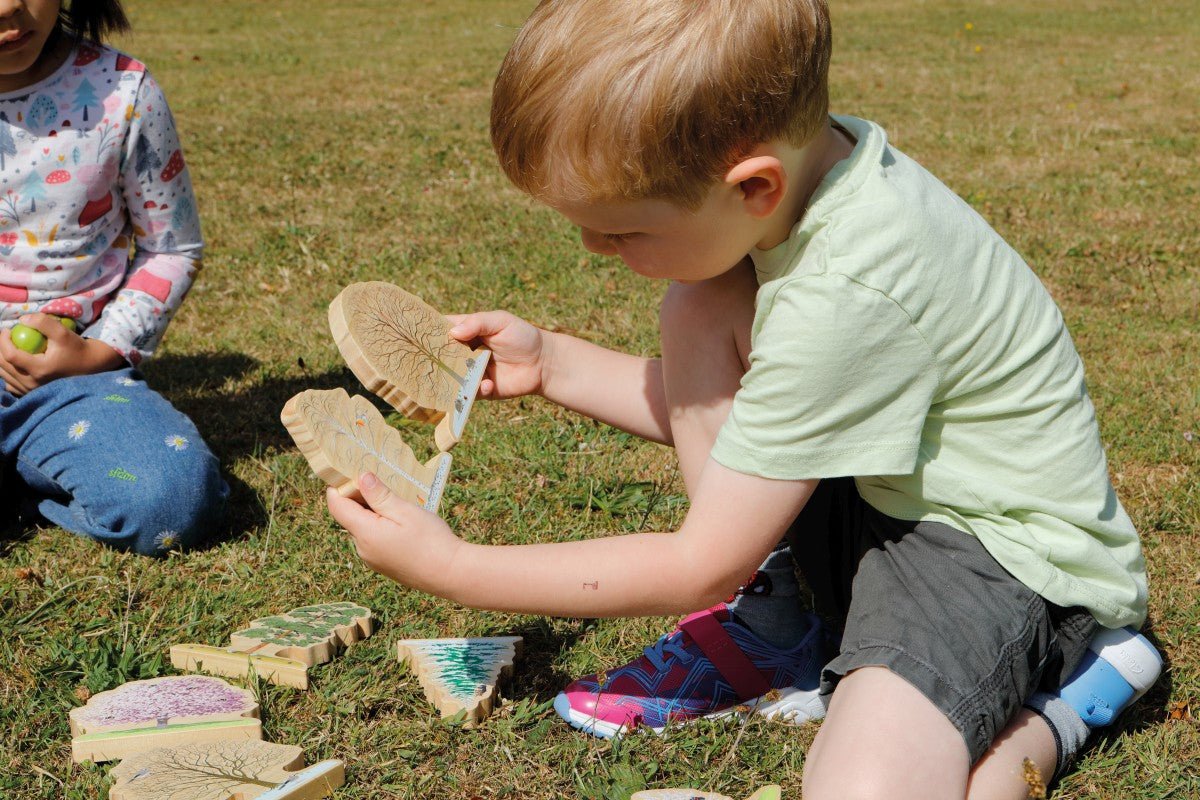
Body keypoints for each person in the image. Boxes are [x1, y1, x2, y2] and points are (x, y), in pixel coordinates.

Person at [327, 0, 1162, 796]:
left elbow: (702, 563)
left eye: (621, 230)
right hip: (895, 499)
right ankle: (782, 626)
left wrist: (458, 568)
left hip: (1005, 560)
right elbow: (761, 426)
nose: (593, 249)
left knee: (866, 785)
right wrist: (553, 365)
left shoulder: (844, 294)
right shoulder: (815, 175)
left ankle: (1077, 687)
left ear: (753, 185)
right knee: (703, 300)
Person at [0, 0, 227, 555]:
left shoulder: (122, 91)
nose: (8, 6)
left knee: (171, 498)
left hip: (69, 384)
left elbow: (170, 247)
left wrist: (97, 353)